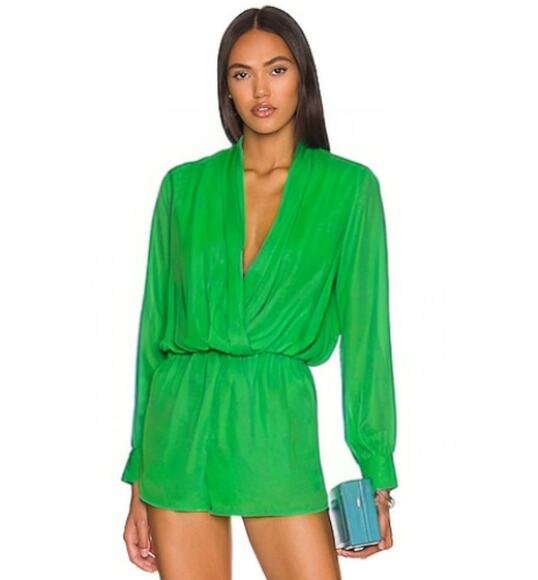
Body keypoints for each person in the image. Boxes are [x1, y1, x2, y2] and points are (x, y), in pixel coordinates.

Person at [121, 6, 398, 579]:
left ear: (303, 77)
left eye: (277, 69)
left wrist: (377, 471)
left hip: (275, 423)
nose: (260, 90)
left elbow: (368, 340)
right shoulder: (183, 186)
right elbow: (153, 337)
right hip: (179, 430)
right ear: (226, 88)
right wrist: (138, 476)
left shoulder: (349, 189)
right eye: (241, 74)